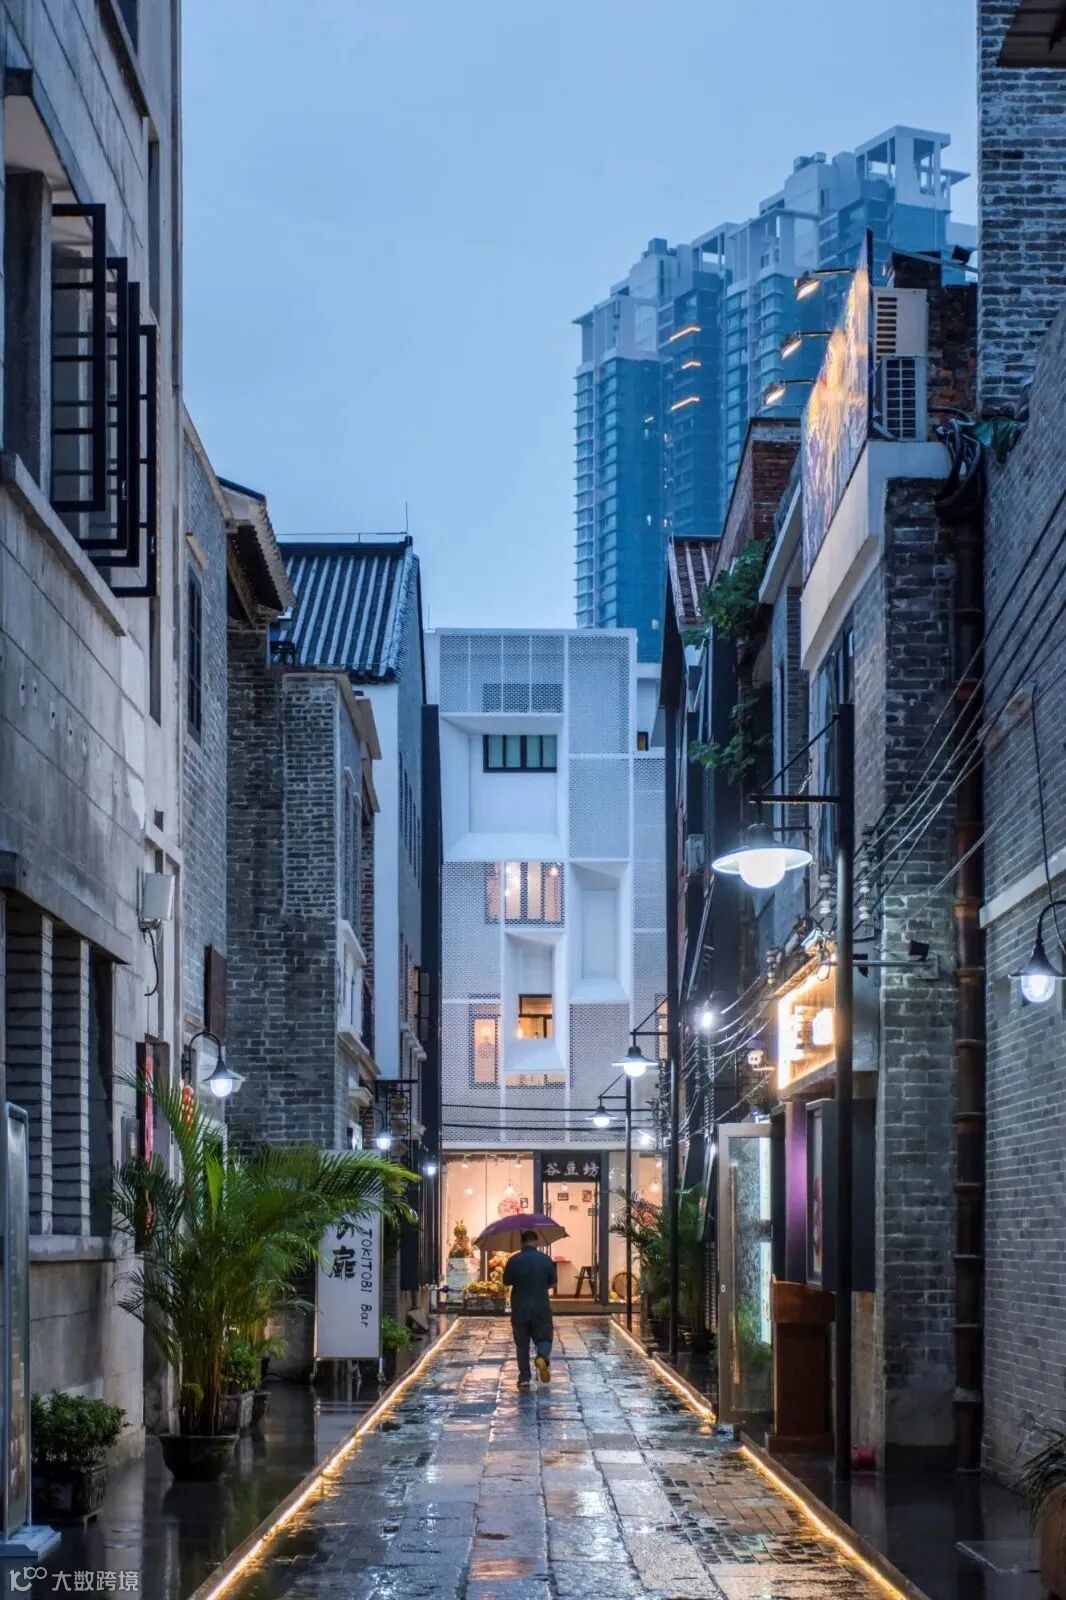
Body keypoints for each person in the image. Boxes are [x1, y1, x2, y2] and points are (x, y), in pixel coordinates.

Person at [503, 1229, 557, 1387]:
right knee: (545, 1338)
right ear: (536, 1241)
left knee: (522, 1344)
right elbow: (553, 1283)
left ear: (522, 1242)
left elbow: (506, 1281)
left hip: (520, 1307)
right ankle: (541, 1356)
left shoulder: (513, 1260)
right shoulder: (546, 1259)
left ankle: (524, 1378)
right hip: (541, 1307)